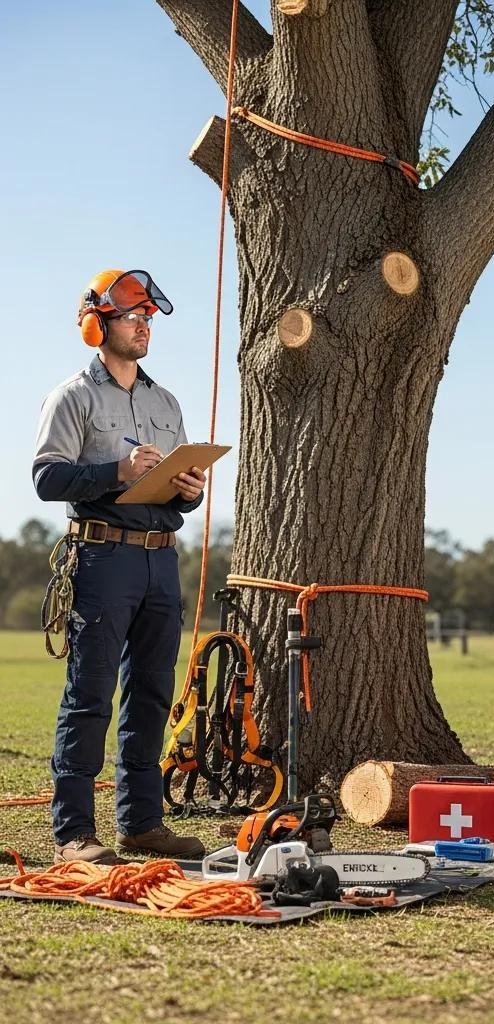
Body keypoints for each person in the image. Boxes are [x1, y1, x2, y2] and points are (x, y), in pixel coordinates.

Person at [33, 269, 208, 865]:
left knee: (153, 694)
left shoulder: (166, 401)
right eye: (132, 316)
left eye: (148, 318)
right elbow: (47, 478)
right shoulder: (72, 397)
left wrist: (188, 489)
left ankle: (142, 824)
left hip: (162, 564)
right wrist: (117, 472)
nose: (143, 326)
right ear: (97, 323)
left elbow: (184, 495)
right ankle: (75, 835)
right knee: (90, 696)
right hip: (102, 558)